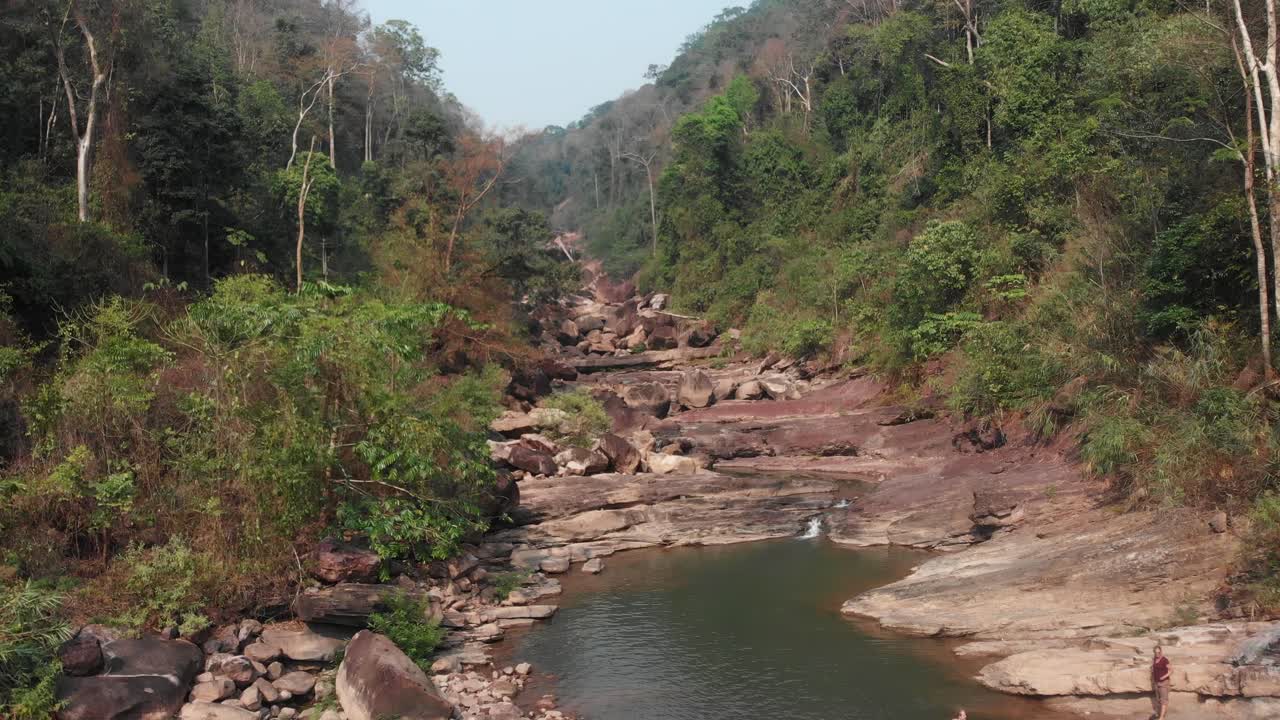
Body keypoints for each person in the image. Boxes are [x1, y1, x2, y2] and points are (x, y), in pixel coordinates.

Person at [1151, 644, 1171, 720]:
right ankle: (1158, 714)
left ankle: (1161, 717)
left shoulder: (1165, 660)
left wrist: (1164, 677)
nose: (1157, 654)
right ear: (1154, 652)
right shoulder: (1154, 659)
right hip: (1156, 682)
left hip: (1163, 683)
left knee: (1163, 700)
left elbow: (1171, 670)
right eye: (1156, 652)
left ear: (1161, 651)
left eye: (1159, 652)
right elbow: (1153, 669)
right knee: (1158, 699)